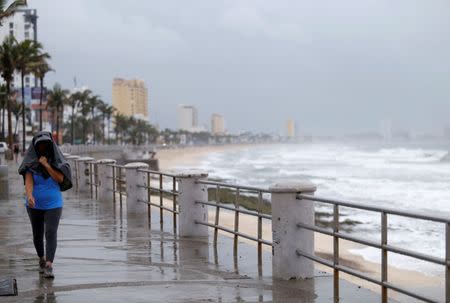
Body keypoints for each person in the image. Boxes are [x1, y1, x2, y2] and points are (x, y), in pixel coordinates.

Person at [18, 131, 72, 279]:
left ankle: (49, 265)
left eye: (45, 144)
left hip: (54, 204)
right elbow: (28, 181)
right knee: (37, 235)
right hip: (34, 204)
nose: (42, 147)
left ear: (50, 145)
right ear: (35, 146)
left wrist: (46, 165)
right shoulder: (30, 162)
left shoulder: (56, 161)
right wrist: (29, 195)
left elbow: (60, 179)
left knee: (50, 232)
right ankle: (41, 259)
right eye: (39, 145)